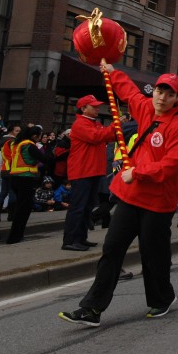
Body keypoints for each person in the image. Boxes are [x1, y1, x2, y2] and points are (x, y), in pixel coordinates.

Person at [59, 63, 178, 327]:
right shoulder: (145, 108)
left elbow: (173, 164)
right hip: (131, 196)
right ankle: (91, 309)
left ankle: (162, 297)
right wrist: (110, 71)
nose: (162, 98)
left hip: (158, 202)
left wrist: (139, 173)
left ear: (177, 99)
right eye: (159, 91)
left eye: (169, 94)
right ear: (154, 91)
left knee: (152, 253)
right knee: (111, 248)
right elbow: (128, 93)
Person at [61, 95, 117, 251]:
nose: (97, 108)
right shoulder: (80, 124)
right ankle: (70, 240)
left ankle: (80, 237)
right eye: (93, 106)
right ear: (83, 108)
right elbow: (96, 137)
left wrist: (117, 127)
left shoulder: (94, 124)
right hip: (83, 170)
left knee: (87, 207)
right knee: (78, 207)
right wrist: (114, 127)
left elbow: (108, 136)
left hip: (92, 170)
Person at [5, 126, 45, 244]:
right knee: (24, 209)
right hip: (26, 179)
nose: (40, 138)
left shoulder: (17, 144)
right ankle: (15, 236)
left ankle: (16, 235)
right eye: (40, 136)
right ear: (35, 136)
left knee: (20, 207)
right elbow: (43, 158)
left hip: (15, 177)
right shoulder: (29, 145)